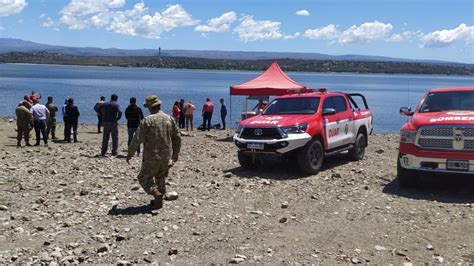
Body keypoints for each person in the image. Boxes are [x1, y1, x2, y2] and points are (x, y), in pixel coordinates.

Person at [127, 95, 181, 209]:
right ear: (159, 105)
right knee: (160, 176)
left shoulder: (147, 121)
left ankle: (156, 194)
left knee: (143, 177)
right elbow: (177, 137)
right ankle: (158, 202)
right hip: (166, 155)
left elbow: (137, 138)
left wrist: (130, 153)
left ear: (150, 108)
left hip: (152, 155)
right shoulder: (169, 118)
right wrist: (175, 153)